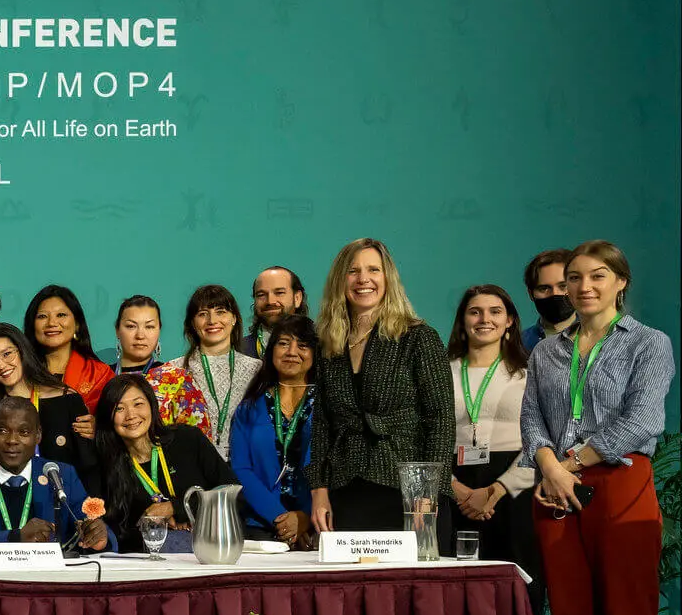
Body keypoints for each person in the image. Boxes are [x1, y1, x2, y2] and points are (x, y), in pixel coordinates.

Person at [520, 241, 674, 615]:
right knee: (570, 614)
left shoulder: (648, 343)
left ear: (620, 282)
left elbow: (644, 418)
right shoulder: (547, 350)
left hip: (619, 482)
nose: (584, 287)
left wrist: (569, 463)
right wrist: (549, 465)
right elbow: (531, 419)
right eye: (575, 279)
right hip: (555, 489)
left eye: (598, 276)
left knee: (627, 613)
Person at [307, 239, 456, 543]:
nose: (364, 279)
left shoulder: (418, 337)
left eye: (373, 270)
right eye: (353, 271)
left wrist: (429, 492)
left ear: (388, 278)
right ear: (340, 281)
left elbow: (440, 420)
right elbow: (322, 424)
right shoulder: (328, 345)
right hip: (346, 487)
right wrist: (319, 491)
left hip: (409, 491)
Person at [0, 396, 112, 554]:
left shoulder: (61, 475)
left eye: (24, 432)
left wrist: (100, 537)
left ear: (38, 435)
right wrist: (13, 538)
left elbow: (93, 528)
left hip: (47, 585)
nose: (12, 441)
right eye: (2, 431)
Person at [445, 285, 539, 584]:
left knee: (518, 584)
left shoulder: (530, 373)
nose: (485, 319)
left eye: (495, 311)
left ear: (510, 320)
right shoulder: (441, 372)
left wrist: (496, 490)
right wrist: (456, 489)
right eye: (475, 311)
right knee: (456, 584)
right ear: (462, 321)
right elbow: (423, 435)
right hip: (452, 486)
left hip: (514, 487)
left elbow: (542, 438)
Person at [93, 374, 233, 554]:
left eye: (138, 404)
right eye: (119, 409)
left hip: (211, 549)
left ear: (151, 405)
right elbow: (117, 532)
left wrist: (176, 508)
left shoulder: (187, 439)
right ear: (108, 417)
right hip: (147, 562)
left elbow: (232, 494)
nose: (131, 415)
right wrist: (154, 525)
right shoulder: (106, 464)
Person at [0, 323, 95, 484]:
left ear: (22, 351)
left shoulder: (67, 399)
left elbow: (89, 468)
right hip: (4, 504)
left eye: (7, 354)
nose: (1, 366)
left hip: (59, 502)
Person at [229, 314, 319, 549]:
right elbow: (241, 468)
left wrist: (305, 517)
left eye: (303, 345)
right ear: (271, 351)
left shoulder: (328, 407)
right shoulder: (249, 407)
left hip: (318, 525)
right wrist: (279, 517)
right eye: (283, 343)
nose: (292, 351)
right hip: (261, 527)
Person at [179, 284, 260, 459]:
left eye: (221, 311)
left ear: (234, 318)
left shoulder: (258, 370)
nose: (212, 320)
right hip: (193, 468)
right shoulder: (175, 372)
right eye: (202, 314)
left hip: (246, 468)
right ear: (192, 323)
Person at [108, 295, 209, 431]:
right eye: (131, 326)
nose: (140, 335)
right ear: (117, 331)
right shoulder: (100, 377)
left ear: (159, 331)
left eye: (149, 327)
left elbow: (199, 442)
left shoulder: (177, 380)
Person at [24, 284, 114, 411]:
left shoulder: (99, 374)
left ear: (77, 324)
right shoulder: (20, 372)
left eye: (61, 315)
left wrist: (95, 426)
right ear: (32, 325)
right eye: (42, 316)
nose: (51, 323)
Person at [240, 267, 307, 357]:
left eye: (279, 293)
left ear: (297, 298)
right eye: (261, 295)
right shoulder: (239, 351)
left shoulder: (322, 346)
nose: (270, 301)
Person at [520, 248, 575, 353]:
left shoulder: (599, 340)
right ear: (530, 294)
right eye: (544, 288)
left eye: (563, 286)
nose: (555, 294)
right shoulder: (518, 344)